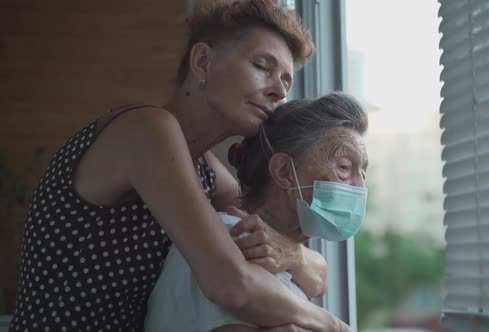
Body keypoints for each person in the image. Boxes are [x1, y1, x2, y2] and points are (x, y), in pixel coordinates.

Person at [9, 0, 353, 331]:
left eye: (286, 81)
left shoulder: (204, 171)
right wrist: (331, 325)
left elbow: (314, 274)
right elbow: (231, 284)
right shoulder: (146, 130)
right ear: (203, 61)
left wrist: (293, 255)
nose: (279, 91)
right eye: (263, 67)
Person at [144, 92, 369, 331]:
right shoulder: (232, 242)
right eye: (344, 167)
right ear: (284, 171)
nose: (360, 188)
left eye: (363, 173)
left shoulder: (282, 257)